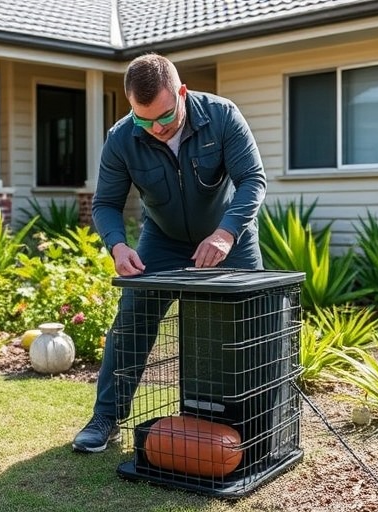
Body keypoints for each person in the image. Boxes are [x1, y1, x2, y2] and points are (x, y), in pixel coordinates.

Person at [72, 53, 267, 453]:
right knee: (131, 322)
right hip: (162, 241)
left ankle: (259, 420)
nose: (156, 128)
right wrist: (118, 244)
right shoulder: (122, 137)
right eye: (144, 120)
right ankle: (106, 418)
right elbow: (106, 204)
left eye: (164, 116)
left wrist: (227, 234)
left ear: (181, 92)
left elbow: (252, 180)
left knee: (252, 326)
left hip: (229, 237)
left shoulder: (223, 116)